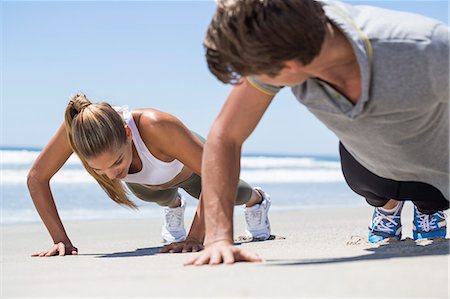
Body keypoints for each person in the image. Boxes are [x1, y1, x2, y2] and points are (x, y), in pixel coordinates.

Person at [186, 0, 449, 265]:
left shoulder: (427, 48)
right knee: (364, 179)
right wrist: (219, 238)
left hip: (440, 173)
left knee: (432, 192)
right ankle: (388, 206)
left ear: (289, 66)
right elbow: (226, 136)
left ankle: (429, 209)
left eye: (255, 73)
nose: (253, 82)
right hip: (374, 169)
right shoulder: (283, 41)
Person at [27, 93, 271, 257]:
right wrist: (61, 240)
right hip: (149, 184)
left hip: (197, 172)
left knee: (235, 193)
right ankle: (175, 205)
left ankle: (258, 200)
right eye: (100, 170)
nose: (112, 176)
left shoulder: (157, 126)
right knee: (155, 195)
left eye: (117, 162)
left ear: (128, 133)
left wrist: (195, 236)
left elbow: (216, 173)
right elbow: (37, 178)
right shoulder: (79, 130)